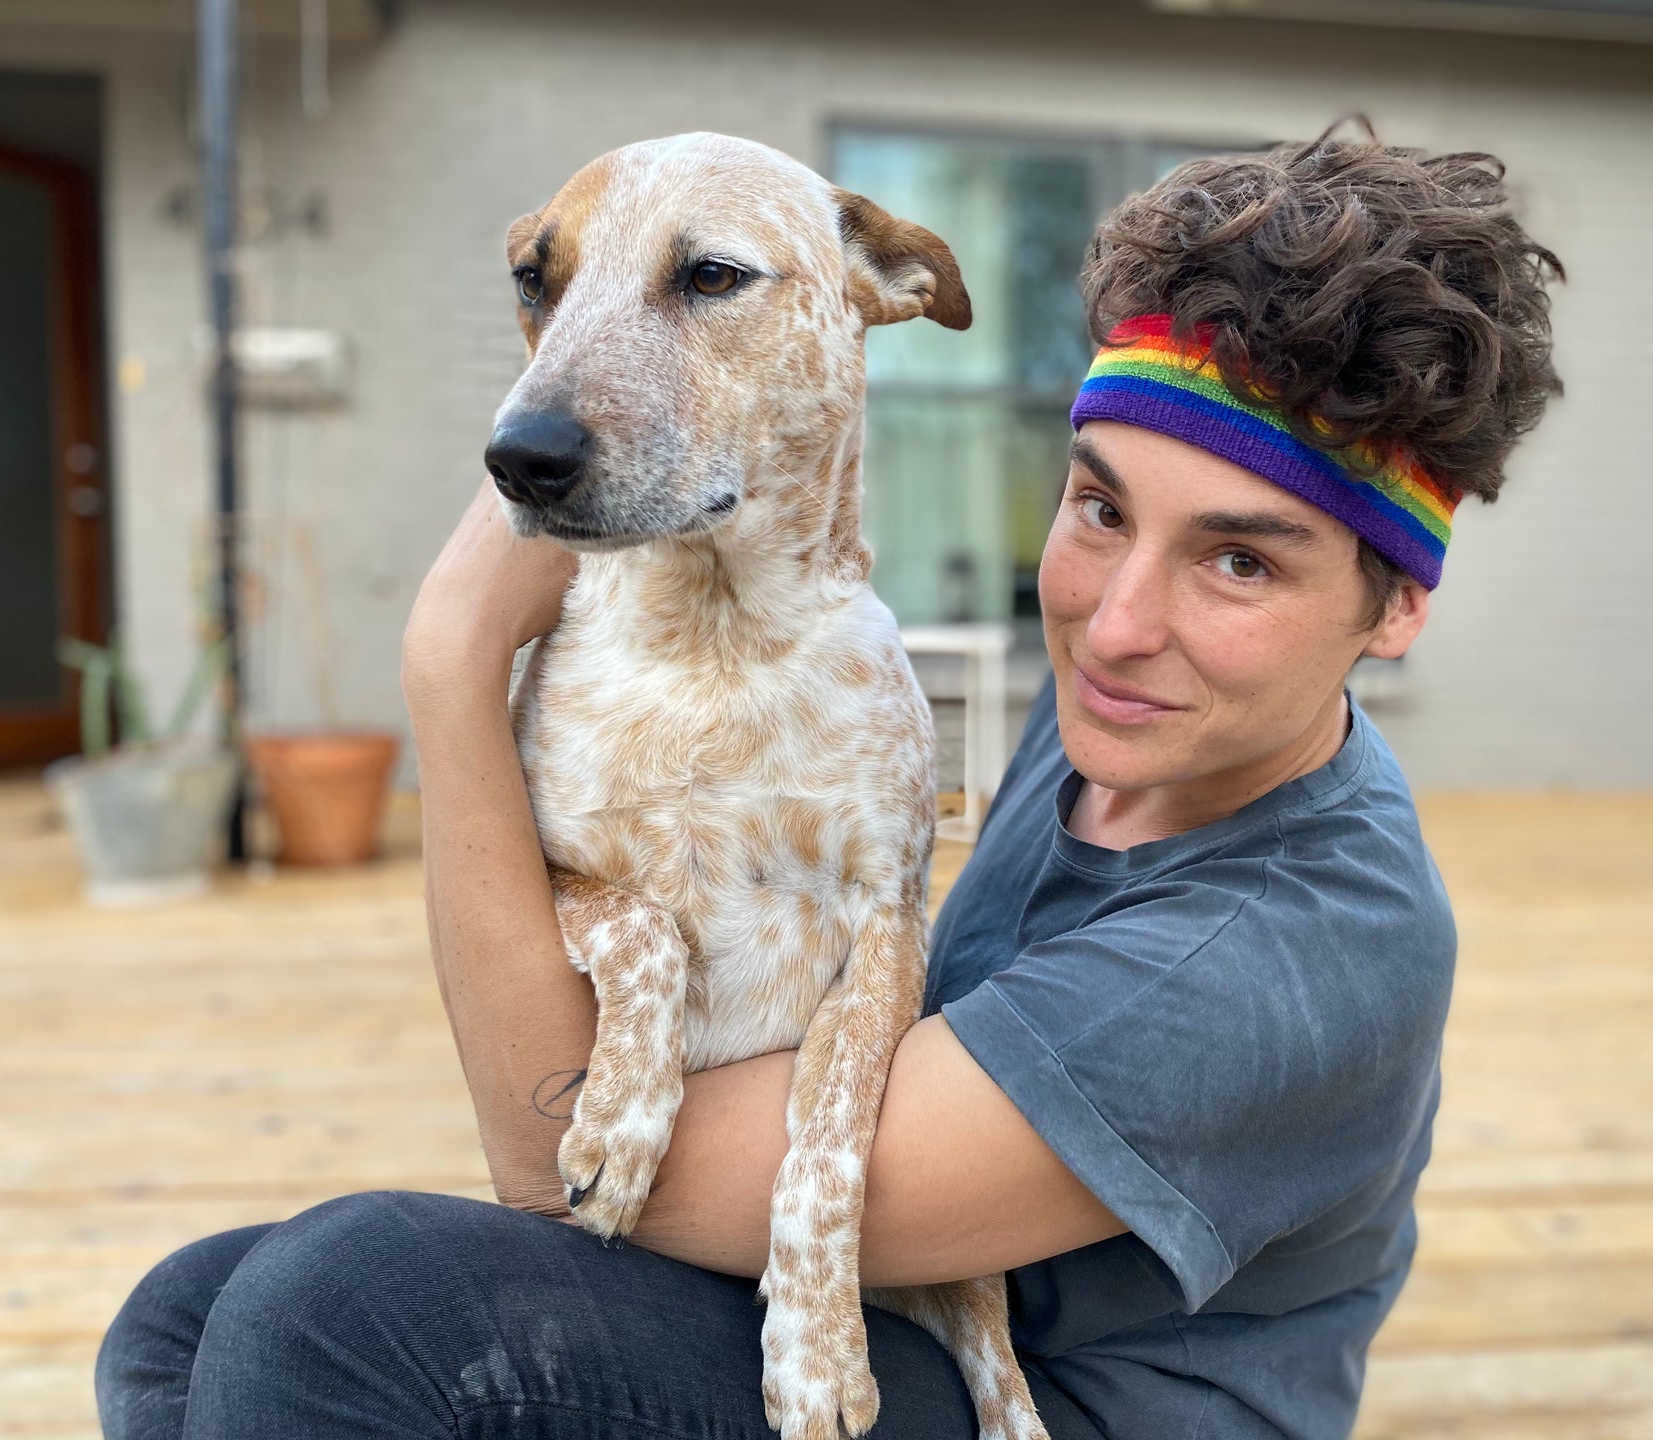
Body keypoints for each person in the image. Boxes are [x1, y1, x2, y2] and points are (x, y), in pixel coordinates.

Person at [96, 133, 1561, 1440]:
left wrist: (452, 657)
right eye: (1102, 507)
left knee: (346, 1311)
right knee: (184, 1318)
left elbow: (560, 1166)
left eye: (1241, 560)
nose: (1116, 625)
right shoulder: (1131, 719)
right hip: (896, 1298)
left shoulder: (1292, 948)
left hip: (1040, 1401)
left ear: (1396, 608)